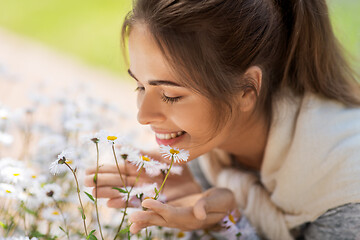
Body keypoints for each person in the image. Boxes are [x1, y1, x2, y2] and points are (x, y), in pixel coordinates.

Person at [85, 0, 360, 239]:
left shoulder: (346, 188)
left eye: (170, 95)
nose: (143, 116)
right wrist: (214, 212)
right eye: (141, 87)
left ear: (246, 90)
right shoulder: (213, 151)